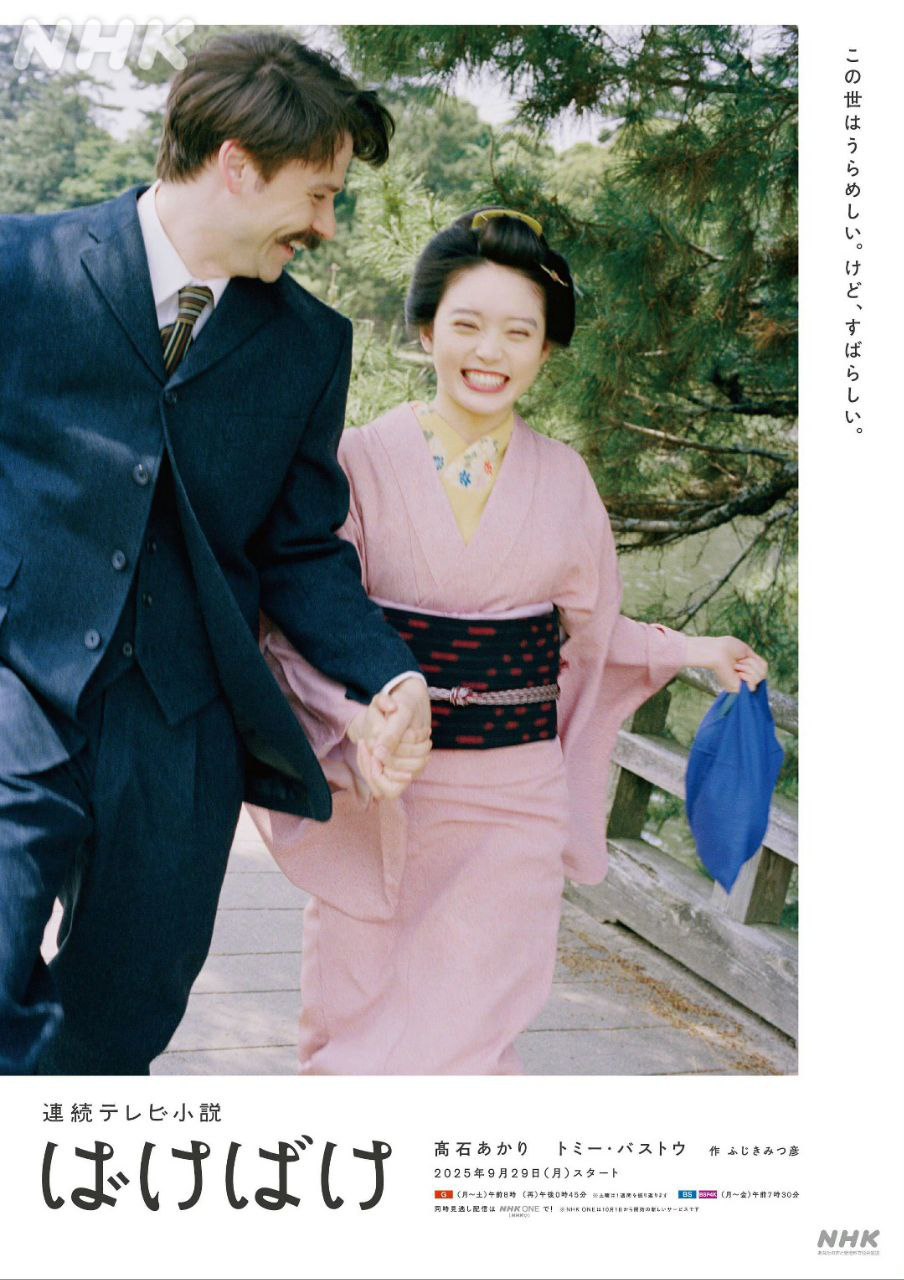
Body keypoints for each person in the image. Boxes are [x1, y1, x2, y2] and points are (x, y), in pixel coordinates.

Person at [0, 30, 431, 1076]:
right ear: (237, 164)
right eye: (319, 194)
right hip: (16, 681)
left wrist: (390, 672)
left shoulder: (310, 344)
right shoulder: (17, 268)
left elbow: (300, 546)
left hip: (183, 722)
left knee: (124, 1017)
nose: (326, 226)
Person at [249, 209, 768, 1075]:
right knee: (357, 1025)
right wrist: (354, 721)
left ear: (546, 349)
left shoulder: (564, 479)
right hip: (384, 784)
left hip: (512, 797)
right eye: (467, 324)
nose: (490, 352)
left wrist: (690, 651)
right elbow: (302, 620)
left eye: (519, 332)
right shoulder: (358, 461)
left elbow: (590, 640)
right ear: (426, 330)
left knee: (474, 1035)